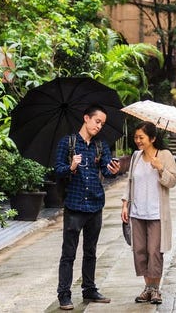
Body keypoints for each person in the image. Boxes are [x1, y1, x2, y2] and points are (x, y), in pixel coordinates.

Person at [54, 106, 120, 310]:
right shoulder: (68, 143)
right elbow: (58, 171)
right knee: (69, 253)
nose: (99, 126)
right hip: (74, 205)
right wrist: (71, 167)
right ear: (86, 118)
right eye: (97, 121)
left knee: (90, 251)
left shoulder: (101, 146)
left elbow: (106, 171)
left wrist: (113, 170)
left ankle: (89, 289)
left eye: (102, 124)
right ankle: (64, 294)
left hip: (95, 204)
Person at [120, 122, 176, 305]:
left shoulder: (165, 155)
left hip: (156, 214)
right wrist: (125, 204)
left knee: (154, 251)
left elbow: (173, 181)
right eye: (136, 137)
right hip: (137, 213)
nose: (138, 141)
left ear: (152, 138)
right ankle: (147, 288)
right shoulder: (136, 156)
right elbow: (130, 182)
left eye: (141, 137)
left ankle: (155, 289)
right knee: (140, 251)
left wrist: (160, 168)